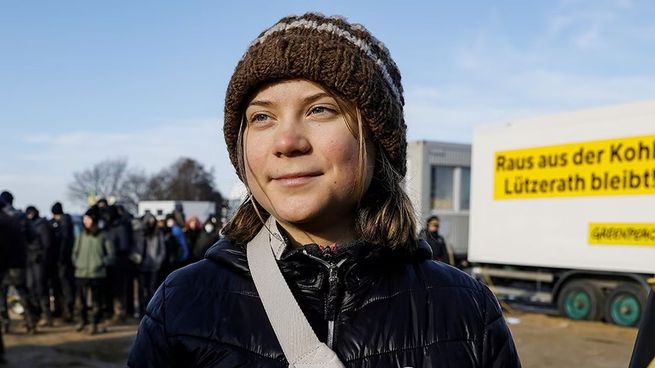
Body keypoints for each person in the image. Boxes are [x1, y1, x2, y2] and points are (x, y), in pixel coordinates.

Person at [128, 13, 520, 367]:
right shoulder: (182, 304)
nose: (287, 142)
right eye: (262, 117)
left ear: (377, 138)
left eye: (320, 110)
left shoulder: (466, 311)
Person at [72, 206, 114, 334]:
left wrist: (101, 263)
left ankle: (95, 323)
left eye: (87, 219)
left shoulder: (103, 236)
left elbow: (111, 254)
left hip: (97, 274)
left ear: (94, 220)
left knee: (97, 301)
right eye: (84, 219)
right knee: (80, 301)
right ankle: (82, 322)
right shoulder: (81, 235)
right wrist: (77, 263)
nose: (85, 221)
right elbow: (75, 252)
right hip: (81, 272)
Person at [0, 191, 37, 334]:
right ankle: (30, 322)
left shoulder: (2, 218)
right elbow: (33, 236)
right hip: (18, 260)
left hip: (2, 262)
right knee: (22, 292)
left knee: (1, 295)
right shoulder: (21, 216)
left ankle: (5, 324)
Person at [132, 212, 166, 318]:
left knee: (152, 289)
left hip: (154, 266)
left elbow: (162, 249)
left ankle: (151, 311)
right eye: (148, 221)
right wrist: (137, 259)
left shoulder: (158, 234)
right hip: (142, 266)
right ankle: (142, 311)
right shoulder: (140, 234)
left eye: (152, 221)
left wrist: (158, 261)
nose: (150, 223)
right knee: (141, 290)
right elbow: (134, 248)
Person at [24, 206, 54, 327]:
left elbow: (47, 244)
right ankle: (35, 315)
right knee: (31, 287)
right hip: (30, 260)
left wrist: (42, 257)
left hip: (39, 261)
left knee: (41, 287)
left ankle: (46, 315)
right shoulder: (28, 225)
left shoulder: (42, 225)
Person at [50, 202, 76, 322]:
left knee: (64, 286)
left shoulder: (63, 224)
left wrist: (60, 258)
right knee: (64, 286)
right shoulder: (68, 222)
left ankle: (66, 311)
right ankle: (65, 310)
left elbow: (64, 243)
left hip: (62, 261)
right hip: (64, 261)